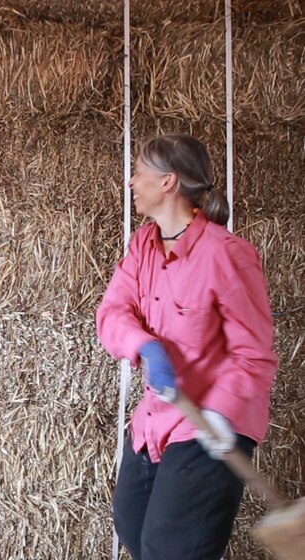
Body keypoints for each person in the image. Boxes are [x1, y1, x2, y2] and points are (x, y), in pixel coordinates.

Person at [96, 133, 277, 559]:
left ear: (168, 182)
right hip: (156, 419)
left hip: (210, 420)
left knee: (171, 547)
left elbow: (254, 354)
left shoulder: (227, 254)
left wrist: (219, 411)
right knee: (131, 521)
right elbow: (112, 312)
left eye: (138, 172)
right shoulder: (142, 246)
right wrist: (146, 346)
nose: (130, 182)